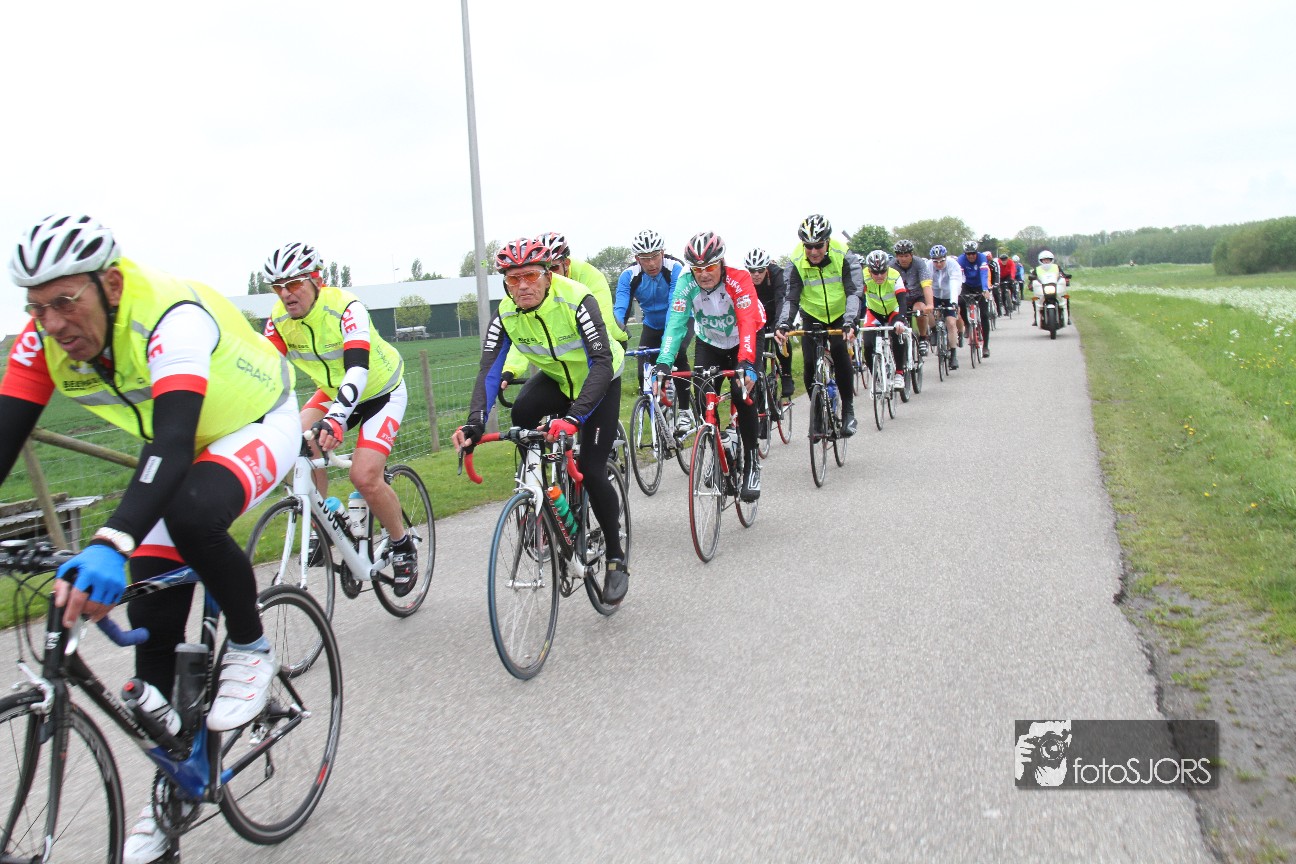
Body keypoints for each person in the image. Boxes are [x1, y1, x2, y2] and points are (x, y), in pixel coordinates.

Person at [0, 214, 300, 864]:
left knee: (191, 517)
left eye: (65, 302)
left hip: (254, 421)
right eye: (37, 308)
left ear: (110, 284)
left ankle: (251, 645)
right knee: (153, 625)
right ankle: (171, 792)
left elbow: (173, 441)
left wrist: (112, 541)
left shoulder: (169, 317)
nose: (52, 323)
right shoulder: (41, 340)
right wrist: (118, 542)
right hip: (176, 445)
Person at [453, 238, 629, 602]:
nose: (522, 286)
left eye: (531, 276)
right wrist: (475, 423)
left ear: (548, 275)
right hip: (559, 380)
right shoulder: (505, 314)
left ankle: (615, 557)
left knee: (591, 468)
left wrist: (574, 418)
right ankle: (539, 489)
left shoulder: (577, 299)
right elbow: (489, 371)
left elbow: (601, 363)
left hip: (600, 379)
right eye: (513, 279)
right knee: (522, 414)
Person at [261, 242, 418, 593]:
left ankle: (402, 544)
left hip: (380, 391)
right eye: (277, 287)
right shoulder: (278, 320)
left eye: (294, 284)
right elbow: (265, 373)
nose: (286, 294)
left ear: (317, 280)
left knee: (364, 476)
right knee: (291, 444)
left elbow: (357, 369)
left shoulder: (347, 308)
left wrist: (335, 419)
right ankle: (327, 517)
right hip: (333, 391)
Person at [654, 233, 765, 501]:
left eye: (710, 267)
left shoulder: (739, 278)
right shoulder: (685, 283)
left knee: (742, 392)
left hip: (745, 337)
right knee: (703, 395)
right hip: (710, 341)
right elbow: (676, 324)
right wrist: (664, 363)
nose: (704, 274)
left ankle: (752, 462)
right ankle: (717, 454)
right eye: (697, 269)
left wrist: (746, 362)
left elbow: (747, 322)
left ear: (721, 262)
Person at [499, 231, 628, 396]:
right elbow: (526, 331)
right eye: (545, 269)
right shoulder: (538, 290)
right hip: (567, 360)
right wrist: (512, 368)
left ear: (566, 263)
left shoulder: (590, 276)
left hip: (607, 339)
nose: (552, 275)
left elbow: (603, 324)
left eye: (554, 268)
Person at [774, 214, 862, 437]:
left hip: (841, 314)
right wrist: (784, 323)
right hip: (812, 313)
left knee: (840, 352)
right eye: (808, 246)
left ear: (828, 242)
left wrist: (850, 321)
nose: (813, 252)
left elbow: (854, 291)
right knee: (810, 362)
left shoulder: (844, 254)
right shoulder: (795, 260)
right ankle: (817, 417)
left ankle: (848, 410)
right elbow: (790, 297)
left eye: (818, 246)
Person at [614, 229, 692, 432]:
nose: (651, 263)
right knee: (644, 373)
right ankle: (659, 420)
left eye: (655, 256)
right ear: (637, 259)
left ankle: (685, 411)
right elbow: (620, 309)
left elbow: (675, 307)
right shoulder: (629, 275)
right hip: (651, 324)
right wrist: (616, 335)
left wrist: (669, 343)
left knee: (679, 355)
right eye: (645, 258)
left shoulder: (675, 268)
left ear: (663, 253)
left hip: (680, 319)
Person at [744, 247, 794, 398]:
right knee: (758, 351)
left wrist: (780, 325)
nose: (756, 274)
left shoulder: (777, 275)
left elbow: (781, 300)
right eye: (752, 271)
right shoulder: (745, 280)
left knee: (780, 339)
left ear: (766, 268)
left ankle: (786, 375)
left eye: (760, 270)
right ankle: (760, 380)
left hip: (775, 314)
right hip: (758, 317)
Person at [859, 250, 910, 391]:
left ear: (887, 268)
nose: (879, 276)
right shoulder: (863, 277)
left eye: (882, 272)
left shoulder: (895, 276)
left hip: (894, 311)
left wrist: (901, 320)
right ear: (869, 270)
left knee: (897, 334)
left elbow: (902, 302)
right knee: (867, 344)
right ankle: (877, 379)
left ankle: (899, 373)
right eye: (875, 273)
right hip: (874, 312)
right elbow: (857, 299)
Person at [890, 240, 933, 354]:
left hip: (917, 296)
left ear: (911, 255)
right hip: (900, 298)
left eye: (906, 256)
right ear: (896, 256)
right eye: (900, 256)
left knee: (919, 310)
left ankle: (923, 338)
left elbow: (926, 284)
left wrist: (929, 304)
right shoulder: (891, 266)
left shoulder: (919, 263)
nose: (903, 259)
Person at [956, 240, 994, 357]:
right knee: (960, 301)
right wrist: (958, 290)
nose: (971, 256)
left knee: (984, 315)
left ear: (977, 252)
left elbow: (984, 274)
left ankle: (986, 346)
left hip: (980, 285)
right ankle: (967, 324)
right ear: (965, 254)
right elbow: (959, 276)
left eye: (973, 253)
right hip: (966, 285)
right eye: (968, 254)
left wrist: (985, 289)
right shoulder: (961, 260)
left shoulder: (982, 258)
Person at [928, 245, 962, 370]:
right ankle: (933, 330)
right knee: (928, 310)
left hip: (949, 295)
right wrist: (928, 301)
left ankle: (953, 355)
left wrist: (953, 302)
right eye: (935, 261)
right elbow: (927, 283)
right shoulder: (928, 265)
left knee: (951, 323)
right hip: (935, 294)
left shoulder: (953, 264)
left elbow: (955, 282)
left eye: (941, 261)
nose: (938, 264)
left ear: (945, 258)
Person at [1029, 250, 1073, 326]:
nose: (1046, 261)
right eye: (1044, 260)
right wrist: (1030, 285)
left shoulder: (1056, 267)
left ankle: (1067, 318)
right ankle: (1036, 318)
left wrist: (1066, 280)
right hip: (1042, 290)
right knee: (1035, 300)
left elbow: (1063, 275)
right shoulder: (1037, 269)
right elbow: (1032, 278)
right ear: (1041, 260)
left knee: (1065, 298)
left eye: (1048, 259)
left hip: (1056, 288)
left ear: (1051, 260)